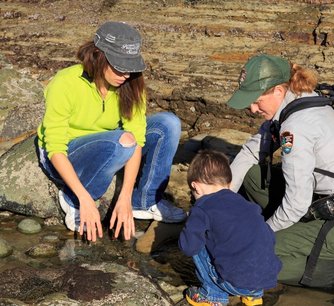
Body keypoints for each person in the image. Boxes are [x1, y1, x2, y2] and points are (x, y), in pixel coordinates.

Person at [226, 54, 334, 303]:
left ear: (278, 90)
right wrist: (220, 203)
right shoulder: (300, 101)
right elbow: (249, 152)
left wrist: (261, 234)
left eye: (256, 101)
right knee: (251, 174)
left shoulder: (295, 127)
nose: (252, 109)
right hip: (325, 201)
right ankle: (279, 233)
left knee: (251, 255)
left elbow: (295, 205)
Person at [35, 21, 186, 242]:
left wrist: (124, 197)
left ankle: (143, 201)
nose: (126, 74)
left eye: (130, 66)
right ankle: (72, 200)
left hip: (112, 141)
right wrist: (84, 199)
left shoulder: (131, 84)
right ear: (97, 55)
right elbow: (55, 147)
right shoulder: (66, 82)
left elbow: (138, 138)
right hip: (67, 152)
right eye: (118, 66)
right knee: (123, 142)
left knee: (168, 124)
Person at [178, 150, 281, 306]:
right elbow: (268, 236)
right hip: (265, 279)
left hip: (235, 282)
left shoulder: (202, 207)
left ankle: (213, 296)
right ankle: (253, 297)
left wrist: (189, 226)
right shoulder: (246, 204)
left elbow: (188, 248)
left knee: (197, 241)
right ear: (229, 183)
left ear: (195, 187)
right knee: (253, 239)